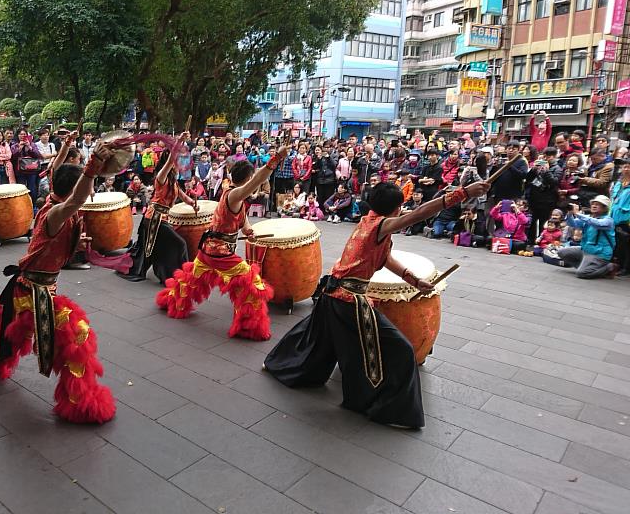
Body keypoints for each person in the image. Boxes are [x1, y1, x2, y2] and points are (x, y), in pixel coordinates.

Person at [265, 178, 490, 428]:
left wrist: (414, 280)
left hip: (335, 297)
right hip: (349, 301)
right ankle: (386, 408)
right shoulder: (380, 225)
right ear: (395, 209)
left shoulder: (368, 220)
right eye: (400, 208)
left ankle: (339, 389)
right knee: (400, 350)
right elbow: (418, 214)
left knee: (325, 347)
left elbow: (384, 258)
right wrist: (464, 192)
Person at [0, 145, 116, 423]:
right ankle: (80, 403)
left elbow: (58, 176)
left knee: (4, 337)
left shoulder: (54, 204)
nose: (91, 193)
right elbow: (75, 200)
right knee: (78, 336)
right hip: (33, 294)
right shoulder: (58, 211)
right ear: (73, 191)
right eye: (87, 188)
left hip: (31, 288)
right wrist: (92, 168)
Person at [156, 148, 289, 340]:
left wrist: (249, 231)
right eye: (250, 180)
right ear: (247, 178)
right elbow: (257, 182)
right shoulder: (234, 195)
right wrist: (276, 158)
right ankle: (247, 327)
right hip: (220, 255)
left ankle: (173, 300)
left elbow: (242, 223)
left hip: (207, 251)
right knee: (253, 283)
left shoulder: (233, 195)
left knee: (192, 278)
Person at [118, 138, 194, 284]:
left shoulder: (173, 180)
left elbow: (181, 195)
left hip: (163, 218)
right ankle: (182, 276)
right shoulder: (161, 176)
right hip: (154, 218)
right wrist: (179, 142)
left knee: (163, 246)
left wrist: (191, 203)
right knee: (180, 243)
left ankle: (169, 274)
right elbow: (170, 162)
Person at [559, 197, 617, 279]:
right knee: (562, 252)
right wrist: (570, 213)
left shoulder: (608, 221)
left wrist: (578, 213)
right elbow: (572, 224)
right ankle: (587, 268)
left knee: (581, 273)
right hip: (586, 249)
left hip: (600, 253)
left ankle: (608, 267)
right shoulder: (588, 217)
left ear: (605, 208)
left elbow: (597, 223)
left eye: (597, 205)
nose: (594, 206)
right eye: (593, 204)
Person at [524, 147, 562, 243]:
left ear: (553, 157)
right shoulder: (538, 167)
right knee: (531, 221)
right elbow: (527, 179)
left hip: (547, 201)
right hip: (534, 198)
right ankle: (530, 241)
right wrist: (533, 170)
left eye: (548, 157)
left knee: (543, 222)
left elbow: (554, 182)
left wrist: (546, 171)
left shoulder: (557, 168)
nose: (545, 159)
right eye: (544, 157)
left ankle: (542, 242)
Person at [12, 128, 43, 204]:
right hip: (19, 170)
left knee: (32, 187)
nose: (23, 136)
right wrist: (19, 148)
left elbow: (37, 155)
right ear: (18, 135)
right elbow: (13, 157)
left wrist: (29, 147)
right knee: (21, 188)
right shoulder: (14, 145)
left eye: (24, 134)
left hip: (31, 170)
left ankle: (33, 204)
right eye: (21, 134)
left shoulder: (32, 144)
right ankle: (22, 204)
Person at [610, 160, 630, 275]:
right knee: (618, 243)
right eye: (624, 167)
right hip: (615, 218)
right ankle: (619, 265)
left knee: (626, 245)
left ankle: (626, 268)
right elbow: (613, 201)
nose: (626, 170)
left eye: (628, 167)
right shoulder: (618, 184)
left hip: (626, 220)